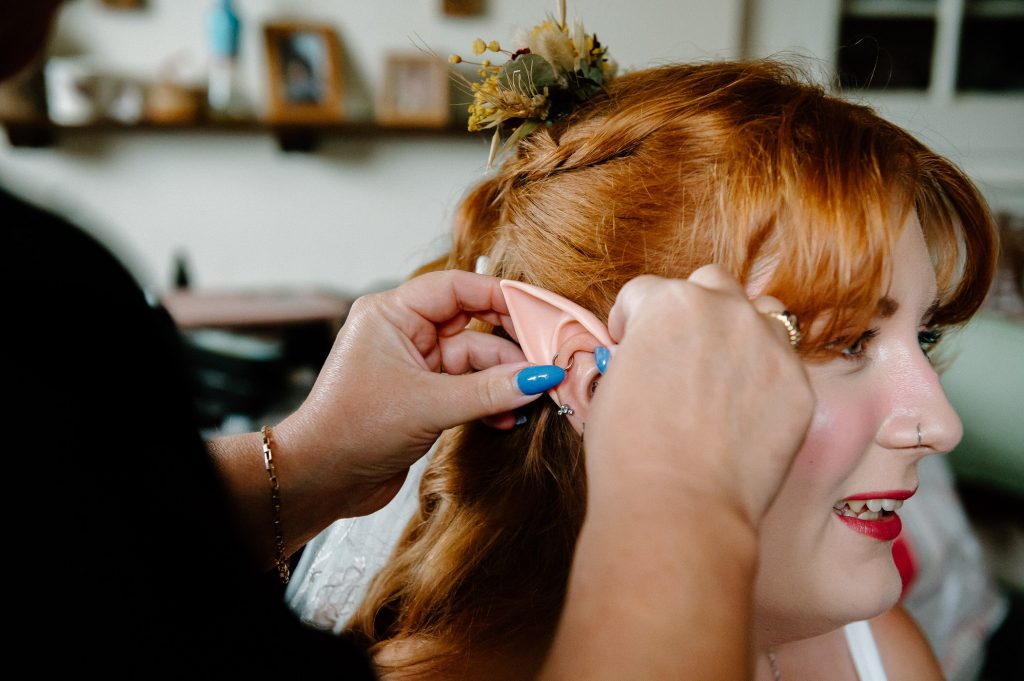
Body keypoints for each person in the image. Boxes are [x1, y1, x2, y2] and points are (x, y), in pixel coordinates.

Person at [4, 2, 815, 678]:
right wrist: (684, 498)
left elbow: (78, 552)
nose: (938, 423)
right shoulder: (45, 304)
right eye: (789, 335)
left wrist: (312, 458)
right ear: (581, 358)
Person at [287, 16, 999, 681]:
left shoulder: (883, 653)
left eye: (925, 335)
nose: (939, 424)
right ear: (590, 376)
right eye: (846, 341)